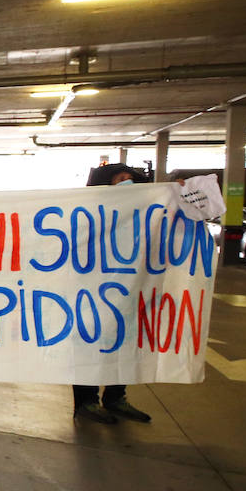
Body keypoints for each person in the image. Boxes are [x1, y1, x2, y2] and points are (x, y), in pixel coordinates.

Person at [72, 166, 153, 424]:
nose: (126, 183)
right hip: (91, 293)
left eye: (130, 179)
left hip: (128, 290)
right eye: (120, 179)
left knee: (125, 346)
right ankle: (86, 402)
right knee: (90, 347)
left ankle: (116, 397)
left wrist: (181, 191)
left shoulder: (141, 212)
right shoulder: (87, 212)